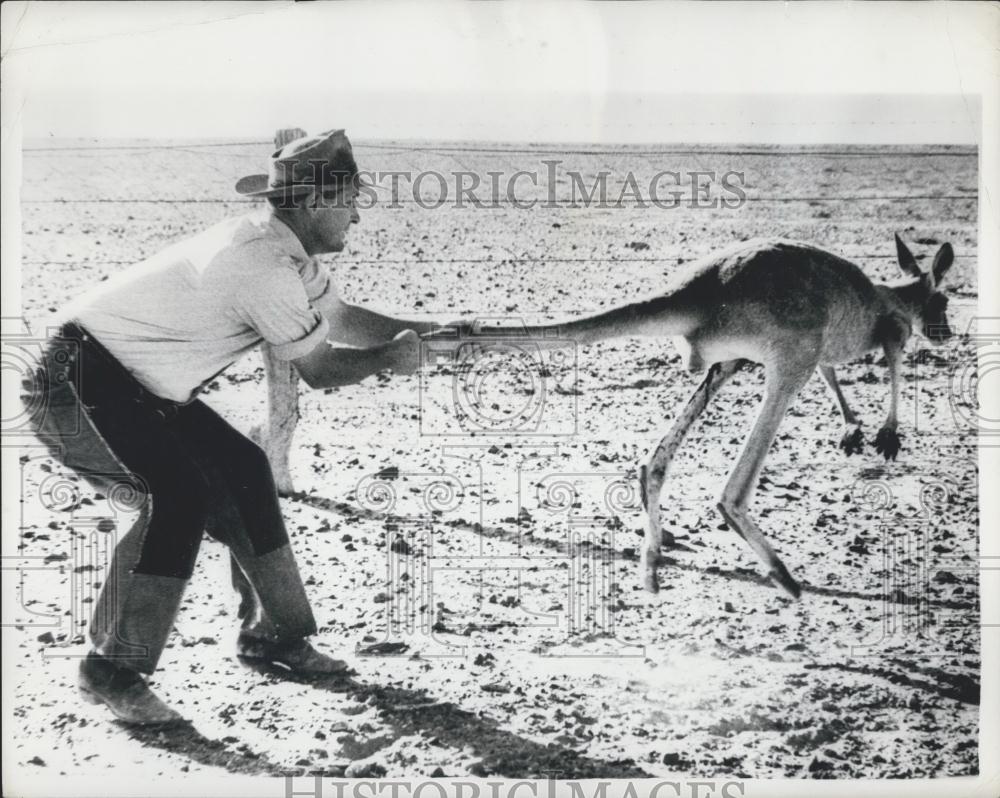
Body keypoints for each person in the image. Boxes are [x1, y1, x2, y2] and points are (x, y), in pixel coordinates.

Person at [24, 129, 443, 725]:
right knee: (176, 496)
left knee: (244, 470)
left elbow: (342, 319)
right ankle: (112, 668)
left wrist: (439, 333)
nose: (357, 212)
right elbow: (322, 369)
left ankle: (275, 634)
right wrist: (389, 361)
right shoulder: (261, 265)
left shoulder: (285, 252)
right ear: (318, 202)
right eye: (351, 198)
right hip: (72, 382)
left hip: (135, 382)